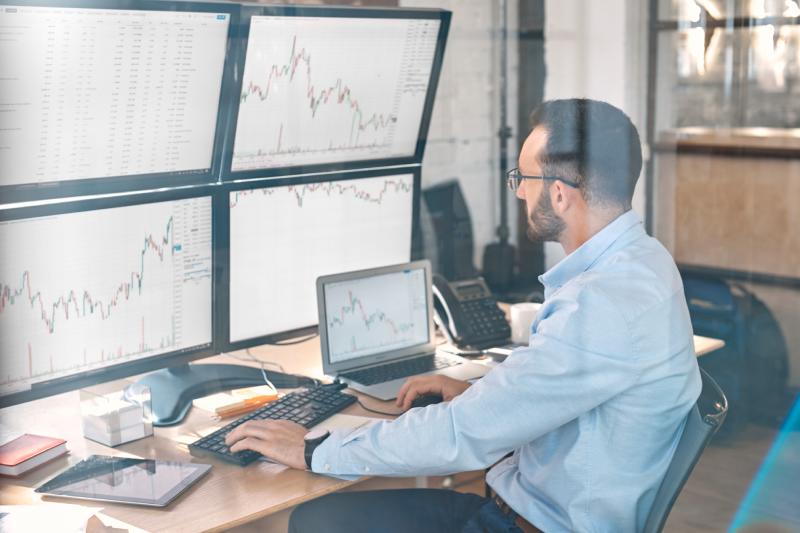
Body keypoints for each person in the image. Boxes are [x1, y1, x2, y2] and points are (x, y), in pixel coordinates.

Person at [225, 98, 702, 533]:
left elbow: (462, 435)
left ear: (559, 194)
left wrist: (313, 448)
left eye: (522, 180)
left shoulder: (601, 303)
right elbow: (558, 385)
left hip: (530, 526)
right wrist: (481, 393)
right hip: (537, 509)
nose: (518, 195)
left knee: (318, 522)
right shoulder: (646, 262)